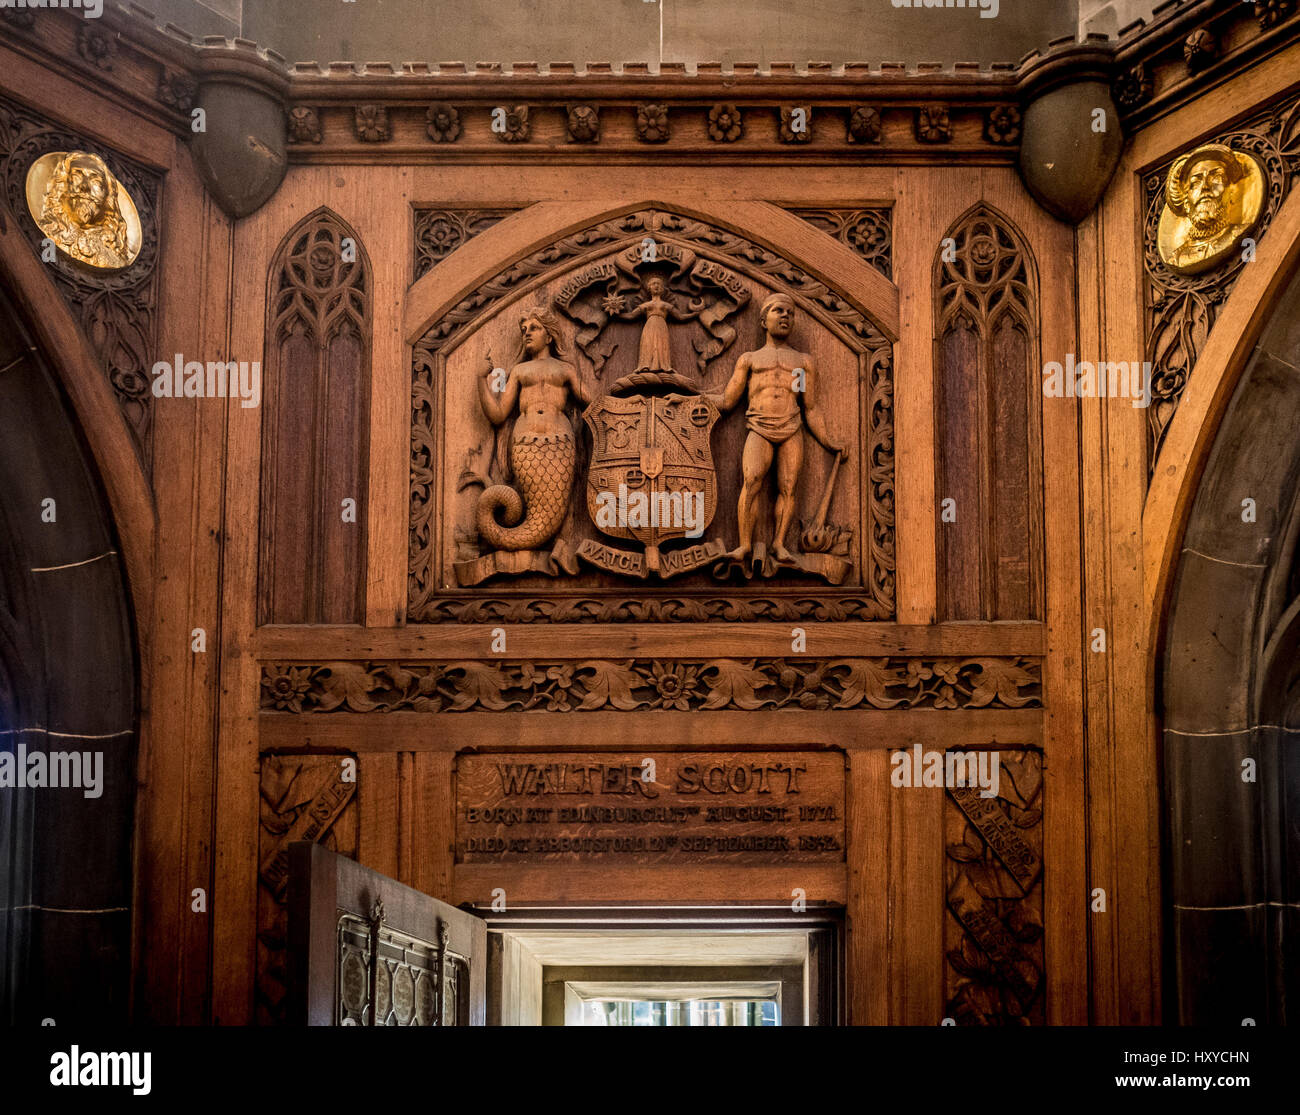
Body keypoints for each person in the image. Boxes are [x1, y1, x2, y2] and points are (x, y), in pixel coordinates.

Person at [713, 293, 845, 563]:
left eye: (790, 313)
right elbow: (727, 401)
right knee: (751, 483)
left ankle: (779, 544)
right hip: (758, 427)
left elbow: (810, 408)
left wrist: (829, 442)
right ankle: (745, 545)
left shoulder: (803, 363)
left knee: (788, 488)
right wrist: (695, 396)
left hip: (791, 428)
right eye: (778, 311)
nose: (785, 316)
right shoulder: (749, 360)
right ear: (763, 320)